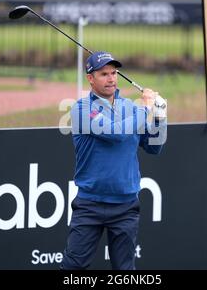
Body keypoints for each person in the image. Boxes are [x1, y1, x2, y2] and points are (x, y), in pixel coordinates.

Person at [60, 51, 167, 270]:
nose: (111, 78)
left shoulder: (129, 107)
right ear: (91, 78)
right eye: (104, 74)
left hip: (126, 206)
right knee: (73, 268)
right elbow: (114, 133)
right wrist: (145, 108)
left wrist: (159, 116)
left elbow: (154, 147)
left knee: (125, 270)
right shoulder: (81, 109)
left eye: (114, 73)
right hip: (90, 205)